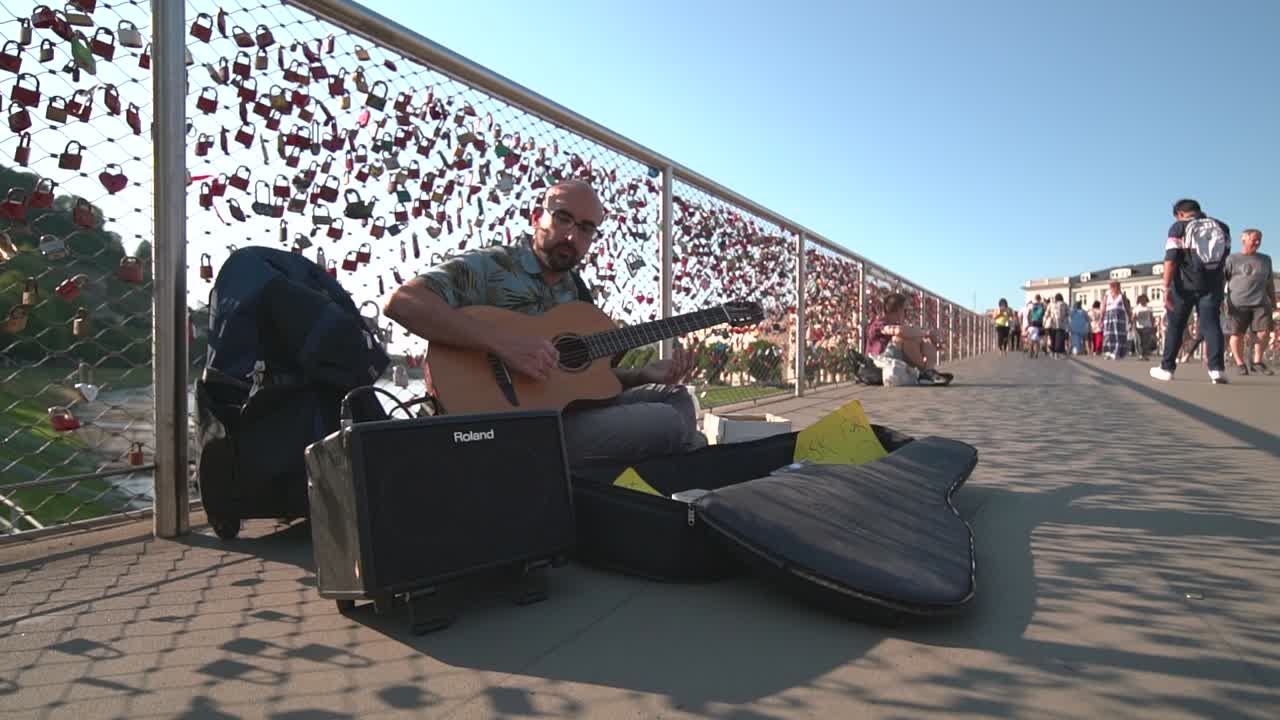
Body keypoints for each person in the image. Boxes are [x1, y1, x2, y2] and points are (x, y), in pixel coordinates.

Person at [383, 180, 706, 467]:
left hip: (564, 418)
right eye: (563, 218)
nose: (571, 235)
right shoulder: (491, 265)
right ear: (538, 218)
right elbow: (403, 302)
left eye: (586, 228)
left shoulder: (577, 297)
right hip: (505, 430)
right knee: (667, 423)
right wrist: (502, 343)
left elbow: (582, 385)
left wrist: (640, 375)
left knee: (676, 399)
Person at [1150, 198, 1230, 384]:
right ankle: (1217, 369)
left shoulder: (1179, 228)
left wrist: (1166, 287)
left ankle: (1167, 368)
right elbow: (1224, 258)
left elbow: (1171, 260)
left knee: (1176, 325)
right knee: (1211, 325)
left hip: (1183, 285)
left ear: (1180, 214)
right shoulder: (1222, 227)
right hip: (1212, 284)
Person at [865, 292, 954, 385]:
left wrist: (928, 337)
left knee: (923, 340)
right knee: (902, 339)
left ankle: (929, 371)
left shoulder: (896, 324)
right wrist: (925, 333)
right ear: (899, 310)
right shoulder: (878, 324)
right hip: (878, 364)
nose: (906, 313)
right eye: (905, 310)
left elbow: (910, 333)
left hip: (893, 363)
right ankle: (924, 372)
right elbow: (898, 331)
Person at [1224, 228, 1275, 375]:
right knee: (1237, 334)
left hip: (1261, 302)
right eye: (1254, 239)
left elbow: (1269, 282)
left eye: (1259, 239)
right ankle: (1240, 364)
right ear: (1244, 240)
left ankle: (1257, 361)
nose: (1257, 242)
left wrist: (1272, 300)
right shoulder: (1232, 259)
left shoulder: (1265, 259)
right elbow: (1222, 279)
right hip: (1237, 303)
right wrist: (1219, 300)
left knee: (1264, 332)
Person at [1101, 282, 1131, 359]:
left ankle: (1117, 352)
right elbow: (1103, 307)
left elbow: (1127, 307)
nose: (1114, 288)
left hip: (1119, 317)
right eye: (1112, 286)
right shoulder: (1107, 295)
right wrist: (1101, 318)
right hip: (1109, 316)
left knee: (1118, 334)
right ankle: (1108, 352)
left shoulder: (1122, 296)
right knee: (1108, 334)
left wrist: (1130, 318)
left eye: (1116, 286)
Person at [1045, 293, 1070, 358]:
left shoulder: (1051, 304)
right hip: (1061, 325)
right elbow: (1068, 314)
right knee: (1059, 339)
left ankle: (1052, 352)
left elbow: (1046, 313)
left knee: (1052, 338)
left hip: (1052, 324)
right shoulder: (1065, 304)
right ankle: (1057, 353)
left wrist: (1044, 321)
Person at [1132, 294, 1156, 361]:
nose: (1143, 301)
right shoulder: (1136, 308)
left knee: (1146, 341)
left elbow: (1151, 318)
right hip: (1138, 327)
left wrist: (1153, 326)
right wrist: (1134, 323)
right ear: (1139, 300)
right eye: (1142, 300)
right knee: (1139, 341)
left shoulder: (1149, 308)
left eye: (1144, 299)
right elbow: (1133, 318)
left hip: (1147, 326)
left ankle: (1145, 355)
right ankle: (1140, 355)